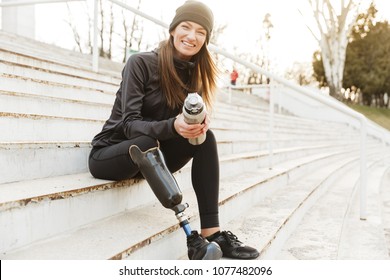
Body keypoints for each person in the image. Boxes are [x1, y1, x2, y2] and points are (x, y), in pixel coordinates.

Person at [88, 0, 259, 260]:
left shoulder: (196, 77)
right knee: (145, 141)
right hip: (113, 153)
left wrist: (197, 125)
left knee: (205, 138)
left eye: (200, 32)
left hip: (152, 160)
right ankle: (192, 238)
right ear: (172, 30)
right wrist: (173, 126)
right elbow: (129, 124)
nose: (192, 36)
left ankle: (212, 233)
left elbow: (184, 130)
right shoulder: (140, 63)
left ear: (205, 39)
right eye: (186, 27)